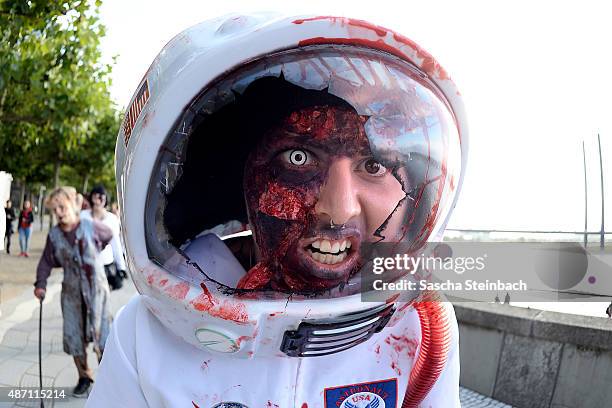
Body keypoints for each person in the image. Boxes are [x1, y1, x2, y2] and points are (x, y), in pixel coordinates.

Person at [87, 14, 468, 407]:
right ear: (241, 177)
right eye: (298, 158)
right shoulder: (146, 334)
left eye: (373, 166)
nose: (338, 211)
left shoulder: (421, 330)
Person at [34, 186, 113, 397]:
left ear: (72, 204)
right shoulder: (54, 235)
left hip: (95, 290)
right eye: (54, 209)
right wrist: (40, 284)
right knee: (74, 336)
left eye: (62, 206)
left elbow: (108, 235)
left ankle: (109, 378)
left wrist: (93, 252)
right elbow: (46, 261)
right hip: (71, 293)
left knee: (101, 335)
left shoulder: (90, 225)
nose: (59, 212)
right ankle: (85, 377)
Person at [80, 185, 127, 290]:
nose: (98, 200)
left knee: (102, 299)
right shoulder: (83, 216)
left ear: (105, 199)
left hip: (105, 264)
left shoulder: (112, 219)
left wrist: (121, 267)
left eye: (101, 197)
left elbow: (116, 244)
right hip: (86, 264)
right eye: (95, 197)